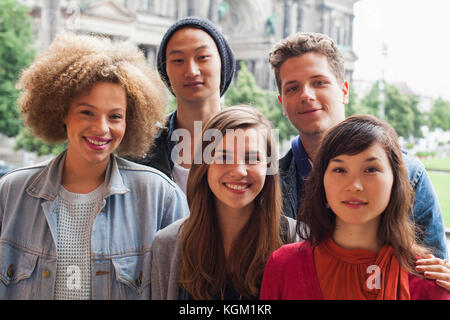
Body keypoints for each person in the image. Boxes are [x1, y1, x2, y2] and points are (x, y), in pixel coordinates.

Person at [0, 32, 189, 300]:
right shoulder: (10, 193)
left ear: (130, 120)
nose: (101, 128)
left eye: (115, 116)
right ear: (62, 112)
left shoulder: (160, 197)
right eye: (86, 112)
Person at [269, 32, 448, 262]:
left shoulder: (409, 174)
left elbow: (431, 279)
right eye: (292, 88)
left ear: (344, 91)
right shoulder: (271, 183)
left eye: (319, 82)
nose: (306, 95)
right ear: (282, 102)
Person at [260, 115, 450, 300]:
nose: (354, 185)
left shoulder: (430, 282)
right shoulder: (283, 266)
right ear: (321, 183)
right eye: (339, 170)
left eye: (371, 169)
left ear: (395, 182)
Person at [151, 106, 297, 300]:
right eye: (224, 157)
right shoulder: (168, 246)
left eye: (252, 158)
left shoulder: (298, 240)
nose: (239, 171)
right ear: (204, 166)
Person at [130, 17, 236, 194]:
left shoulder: (251, 142)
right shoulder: (139, 147)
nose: (191, 71)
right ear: (165, 73)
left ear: (222, 63)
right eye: (178, 60)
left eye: (202, 57)